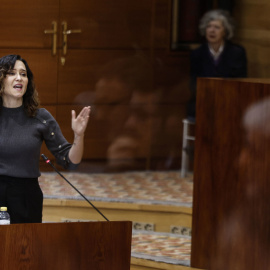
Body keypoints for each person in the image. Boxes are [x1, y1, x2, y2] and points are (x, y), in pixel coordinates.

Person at [0, 54, 90, 224]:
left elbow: (70, 161)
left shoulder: (40, 117)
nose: (19, 78)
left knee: (26, 249)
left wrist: (79, 135)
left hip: (26, 197)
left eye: (23, 74)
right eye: (12, 73)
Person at [188, 9, 247, 119]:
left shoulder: (237, 53)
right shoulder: (197, 54)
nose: (212, 30)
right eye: (209, 26)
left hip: (229, 102)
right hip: (204, 102)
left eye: (217, 27)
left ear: (225, 31)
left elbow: (240, 81)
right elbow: (194, 83)